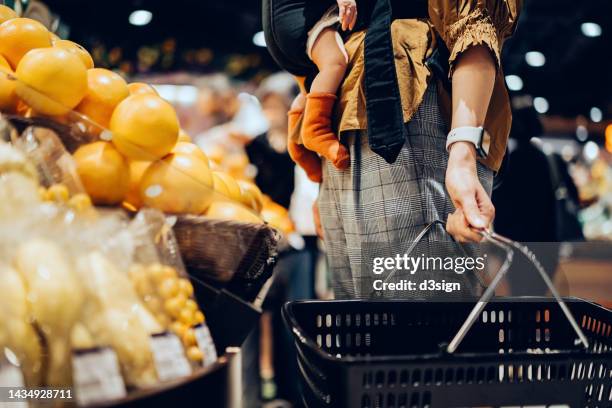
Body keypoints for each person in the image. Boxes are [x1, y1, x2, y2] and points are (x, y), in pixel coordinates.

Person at [264, 0, 521, 298]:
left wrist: (462, 155)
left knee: (417, 313)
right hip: (351, 108)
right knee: (359, 325)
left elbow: (475, 19)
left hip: (409, 99)